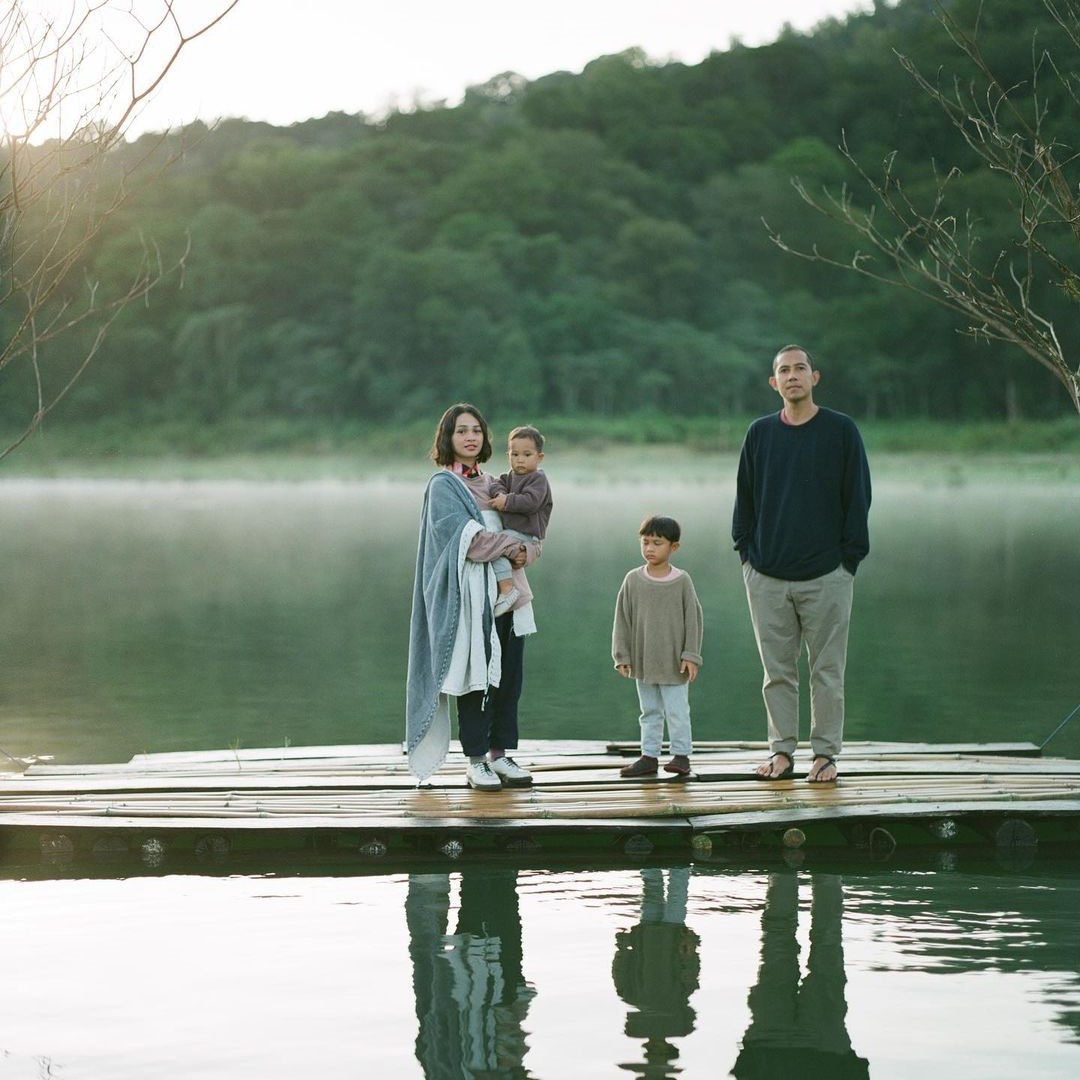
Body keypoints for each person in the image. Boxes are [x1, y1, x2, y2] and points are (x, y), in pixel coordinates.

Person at [732, 344, 871, 784]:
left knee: (827, 672)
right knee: (777, 674)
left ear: (815, 377)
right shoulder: (759, 433)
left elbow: (858, 497)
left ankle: (826, 755)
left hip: (828, 575)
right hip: (767, 575)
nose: (793, 376)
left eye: (800, 369)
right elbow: (746, 499)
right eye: (784, 371)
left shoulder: (841, 431)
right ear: (774, 383)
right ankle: (781, 753)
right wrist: (746, 556)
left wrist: (848, 561)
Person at [406, 403, 540, 791]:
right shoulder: (443, 486)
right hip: (469, 602)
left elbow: (532, 535)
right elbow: (468, 540)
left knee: (509, 679)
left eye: (477, 430)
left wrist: (524, 551)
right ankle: (476, 760)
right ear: (448, 438)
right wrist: (511, 546)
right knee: (477, 679)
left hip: (512, 599)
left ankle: (501, 755)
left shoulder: (498, 485)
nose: (470, 437)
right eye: (461, 430)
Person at [612, 515, 704, 778]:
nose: (650, 548)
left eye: (657, 543)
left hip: (675, 662)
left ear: (673, 547)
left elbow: (694, 619)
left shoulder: (682, 581)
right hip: (643, 661)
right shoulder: (633, 580)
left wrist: (691, 655)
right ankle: (649, 756)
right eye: (645, 542)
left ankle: (681, 756)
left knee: (677, 711)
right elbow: (622, 619)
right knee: (649, 711)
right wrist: (622, 655)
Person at [488, 425, 554, 618]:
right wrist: (500, 494)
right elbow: (495, 483)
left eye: (526, 454)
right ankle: (506, 588)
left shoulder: (538, 479)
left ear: (539, 457)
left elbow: (531, 502)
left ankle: (507, 589)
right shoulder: (510, 476)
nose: (520, 460)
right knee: (496, 547)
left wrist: (506, 501)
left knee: (494, 546)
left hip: (527, 534)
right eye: (514, 454)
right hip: (513, 533)